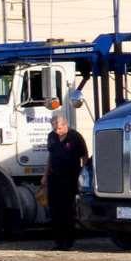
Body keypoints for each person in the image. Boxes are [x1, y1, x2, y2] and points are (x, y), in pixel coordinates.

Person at [41, 105, 91, 251]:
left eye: (59, 128)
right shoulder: (52, 137)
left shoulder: (75, 137)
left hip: (70, 177)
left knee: (67, 210)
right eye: (54, 128)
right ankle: (58, 241)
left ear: (65, 125)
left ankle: (68, 242)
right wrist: (45, 176)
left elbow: (85, 156)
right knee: (55, 210)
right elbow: (50, 156)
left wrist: (82, 174)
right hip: (54, 177)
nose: (57, 131)